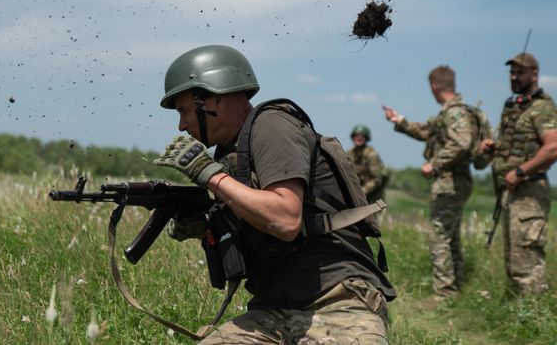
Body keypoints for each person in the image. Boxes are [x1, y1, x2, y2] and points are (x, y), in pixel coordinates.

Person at [154, 45, 396, 344]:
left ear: (214, 98)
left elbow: (285, 219)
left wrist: (211, 177)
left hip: (338, 302)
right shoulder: (232, 156)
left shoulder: (272, 125)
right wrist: (205, 227)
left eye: (183, 110)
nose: (180, 124)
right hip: (272, 312)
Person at [382, 65, 479, 301]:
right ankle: (455, 287)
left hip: (450, 181)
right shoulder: (449, 113)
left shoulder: (454, 113)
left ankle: (444, 294)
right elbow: (427, 132)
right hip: (456, 181)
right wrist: (400, 120)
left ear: (434, 86)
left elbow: (462, 143)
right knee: (450, 235)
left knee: (439, 236)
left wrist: (434, 164)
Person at [477, 52, 557, 294]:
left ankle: (534, 321)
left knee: (527, 264)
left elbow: (554, 148)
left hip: (530, 192)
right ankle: (518, 318)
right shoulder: (514, 107)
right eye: (512, 73)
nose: (514, 77)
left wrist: (521, 171)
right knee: (514, 261)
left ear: (534, 73)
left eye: (520, 72)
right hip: (510, 194)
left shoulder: (542, 107)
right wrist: (492, 148)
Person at [347, 125, 391, 219]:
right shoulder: (350, 153)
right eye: (356, 135)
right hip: (358, 191)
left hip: (374, 193)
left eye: (362, 136)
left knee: (374, 220)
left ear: (366, 138)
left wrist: (362, 191)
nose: (359, 138)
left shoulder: (372, 155)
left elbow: (376, 179)